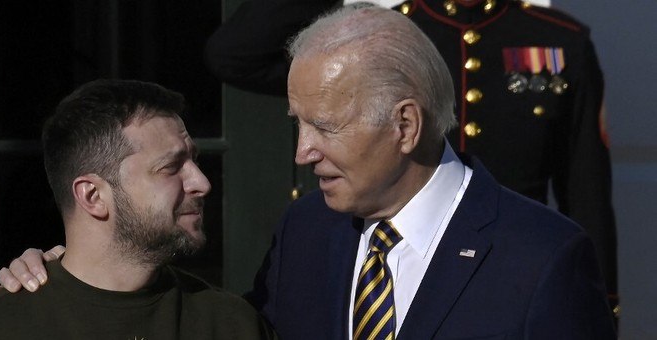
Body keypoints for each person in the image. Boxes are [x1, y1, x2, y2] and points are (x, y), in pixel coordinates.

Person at [0, 6, 615, 339]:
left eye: (325, 127)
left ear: (403, 126)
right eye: (298, 123)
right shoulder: (308, 230)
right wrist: (67, 282)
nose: (302, 151)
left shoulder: (543, 259)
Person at [205, 0, 619, 309]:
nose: (305, 152)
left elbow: (586, 191)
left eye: (325, 128)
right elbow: (234, 54)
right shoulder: (388, 36)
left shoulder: (558, 42)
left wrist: (603, 302)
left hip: (507, 270)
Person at [0, 79, 276, 339]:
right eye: (171, 167)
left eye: (195, 161)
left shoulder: (230, 325)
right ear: (92, 196)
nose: (202, 183)